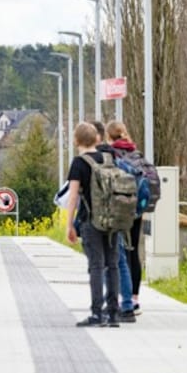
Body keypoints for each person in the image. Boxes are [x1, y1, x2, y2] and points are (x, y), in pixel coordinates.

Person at [66, 122, 120, 327]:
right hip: (113, 220)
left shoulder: (79, 163)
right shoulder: (109, 158)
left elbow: (73, 197)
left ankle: (97, 313)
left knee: (96, 266)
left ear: (77, 140)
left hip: (91, 220)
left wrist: (69, 225)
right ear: (97, 139)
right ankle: (114, 313)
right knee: (112, 265)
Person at [92, 121, 136, 323]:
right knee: (119, 262)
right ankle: (126, 306)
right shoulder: (129, 156)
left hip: (100, 218)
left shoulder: (96, 160)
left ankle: (104, 307)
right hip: (121, 215)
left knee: (100, 263)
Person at [106, 120, 143, 315]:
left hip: (120, 208)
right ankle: (135, 298)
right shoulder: (136, 153)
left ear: (109, 136)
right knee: (134, 251)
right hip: (137, 208)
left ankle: (123, 298)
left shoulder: (113, 154)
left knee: (119, 254)